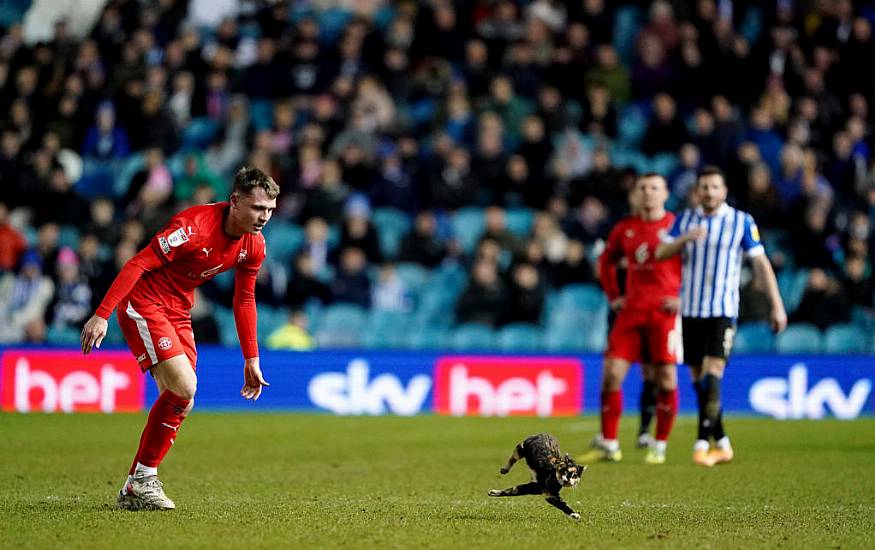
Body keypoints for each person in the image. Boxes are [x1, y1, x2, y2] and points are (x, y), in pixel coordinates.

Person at [80, 167, 279, 510]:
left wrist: (252, 358)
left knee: (182, 399)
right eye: (257, 208)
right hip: (144, 302)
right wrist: (102, 314)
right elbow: (137, 264)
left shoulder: (254, 246)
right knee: (185, 388)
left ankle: (136, 484)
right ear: (234, 201)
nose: (264, 217)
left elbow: (244, 299)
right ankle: (143, 480)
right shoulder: (193, 228)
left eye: (270, 210)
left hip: (178, 310)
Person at [655, 166, 786, 467]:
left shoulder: (741, 221)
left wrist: (776, 305)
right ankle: (723, 443)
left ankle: (701, 445)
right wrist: (683, 239)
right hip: (690, 310)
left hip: (723, 309)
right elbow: (661, 253)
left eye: (715, 187)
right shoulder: (685, 220)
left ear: (724, 191)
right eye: (704, 187)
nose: (709, 192)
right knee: (700, 379)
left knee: (713, 372)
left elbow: (761, 264)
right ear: (697, 191)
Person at [579, 174, 682, 465]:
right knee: (611, 375)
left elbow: (700, 263)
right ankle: (609, 443)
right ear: (636, 194)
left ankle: (659, 444)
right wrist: (614, 295)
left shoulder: (677, 226)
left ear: (665, 194)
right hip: (632, 311)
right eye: (643, 189)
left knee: (665, 378)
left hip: (664, 313)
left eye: (654, 188)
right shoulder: (625, 229)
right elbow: (606, 261)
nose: (648, 193)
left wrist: (684, 295)